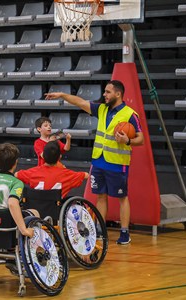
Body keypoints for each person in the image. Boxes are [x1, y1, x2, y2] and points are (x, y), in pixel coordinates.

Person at [45, 80, 144, 245]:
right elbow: (80, 102)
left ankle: (125, 232)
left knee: (122, 197)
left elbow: (140, 139)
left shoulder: (130, 114)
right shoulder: (102, 109)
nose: (104, 95)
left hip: (118, 163)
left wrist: (127, 140)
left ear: (118, 94)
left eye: (108, 92)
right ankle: (99, 228)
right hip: (99, 161)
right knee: (100, 196)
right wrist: (62, 95)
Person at [17, 141, 88, 198]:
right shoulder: (67, 174)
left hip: (36, 212)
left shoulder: (32, 172)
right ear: (59, 157)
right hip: (57, 212)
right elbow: (86, 175)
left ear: (43, 156)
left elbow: (16, 174)